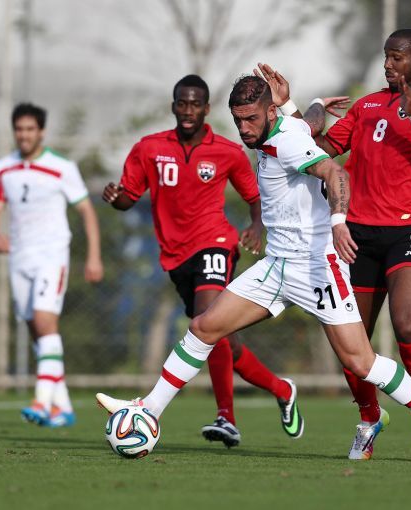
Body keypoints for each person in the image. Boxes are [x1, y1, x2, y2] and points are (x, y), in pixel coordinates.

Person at [96, 75, 411, 464]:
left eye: (251, 119)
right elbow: (310, 123)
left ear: (270, 112)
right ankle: (149, 409)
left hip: (316, 268)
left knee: (361, 362)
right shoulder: (284, 128)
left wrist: (338, 221)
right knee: (204, 327)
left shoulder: (287, 142)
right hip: (277, 266)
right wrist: (315, 102)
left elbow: (337, 173)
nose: (244, 129)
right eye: (238, 120)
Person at [258, 28, 411, 460]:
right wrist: (289, 107)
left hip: (406, 230)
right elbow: (319, 147)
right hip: (355, 234)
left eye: (396, 57)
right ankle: (369, 418)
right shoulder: (367, 105)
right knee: (353, 344)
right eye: (386, 56)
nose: (387, 64)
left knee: (407, 326)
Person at [102, 75, 303, 447]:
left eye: (195, 104)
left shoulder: (227, 151)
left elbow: (255, 196)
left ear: (207, 108)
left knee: (206, 320)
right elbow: (128, 196)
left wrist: (256, 225)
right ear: (174, 106)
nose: (188, 110)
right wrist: (117, 198)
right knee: (222, 339)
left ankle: (226, 417)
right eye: (182, 103)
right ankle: (281, 389)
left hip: (215, 244)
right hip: (175, 256)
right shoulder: (149, 148)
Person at [0, 102, 104, 427]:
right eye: (19, 129)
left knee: (44, 321)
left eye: (30, 129)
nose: (24, 135)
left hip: (51, 254)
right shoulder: (4, 167)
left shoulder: (61, 167)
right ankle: (62, 407)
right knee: (35, 329)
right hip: (19, 257)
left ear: (41, 132)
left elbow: (86, 211)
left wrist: (94, 255)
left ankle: (40, 402)